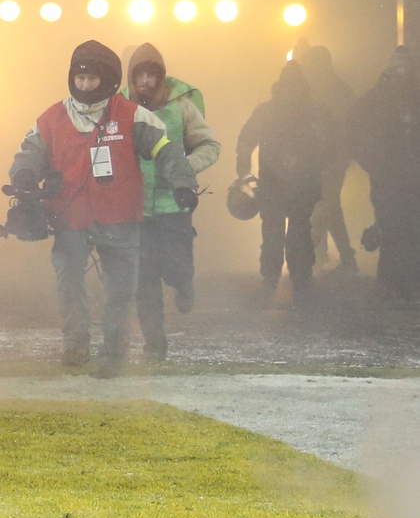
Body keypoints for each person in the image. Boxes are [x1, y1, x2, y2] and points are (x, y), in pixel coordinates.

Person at [8, 41, 197, 377]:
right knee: (68, 277)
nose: (84, 86)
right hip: (69, 216)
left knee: (121, 289)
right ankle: (76, 344)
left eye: (92, 80)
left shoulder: (133, 115)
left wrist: (183, 183)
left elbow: (167, 152)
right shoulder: (52, 117)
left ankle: (114, 353)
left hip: (120, 217)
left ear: (108, 80)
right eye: (79, 79)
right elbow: (29, 151)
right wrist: (24, 174)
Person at [124, 44, 220, 360]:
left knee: (176, 268)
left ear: (161, 76)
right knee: (144, 279)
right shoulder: (121, 106)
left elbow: (209, 145)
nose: (147, 81)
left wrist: (182, 171)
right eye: (141, 75)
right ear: (131, 76)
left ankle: (184, 282)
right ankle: (155, 344)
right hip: (136, 209)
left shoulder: (182, 106)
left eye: (153, 75)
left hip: (174, 206)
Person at [236, 61, 327, 299]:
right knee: (274, 233)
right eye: (288, 86)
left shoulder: (313, 113)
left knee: (298, 232)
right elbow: (246, 141)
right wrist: (244, 173)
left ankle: (300, 279)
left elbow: (331, 143)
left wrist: (321, 166)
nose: (291, 91)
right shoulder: (269, 112)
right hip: (274, 185)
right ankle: (271, 279)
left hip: (301, 185)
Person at [352, 48, 420, 304]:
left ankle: (410, 281)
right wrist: (370, 160)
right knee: (390, 226)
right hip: (388, 175)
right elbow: (355, 128)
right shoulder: (376, 100)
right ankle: (390, 282)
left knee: (412, 228)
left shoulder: (415, 97)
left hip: (413, 176)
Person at [297, 43, 358, 274]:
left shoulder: (330, 91)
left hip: (331, 158)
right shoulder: (334, 89)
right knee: (329, 206)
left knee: (324, 206)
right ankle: (341, 257)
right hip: (323, 158)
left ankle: (310, 255)